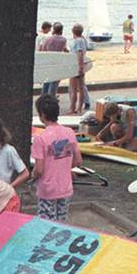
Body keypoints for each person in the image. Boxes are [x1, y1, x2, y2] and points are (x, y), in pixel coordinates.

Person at [31, 94, 82, 222]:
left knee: (47, 224)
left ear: (42, 114)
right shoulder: (70, 132)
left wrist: (33, 175)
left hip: (47, 189)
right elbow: (78, 161)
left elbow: (39, 169)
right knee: (61, 223)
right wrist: (64, 166)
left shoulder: (40, 138)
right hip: (65, 187)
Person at [68, 23, 88, 114]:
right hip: (79, 65)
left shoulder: (77, 41)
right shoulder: (83, 40)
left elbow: (79, 53)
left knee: (74, 88)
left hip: (75, 66)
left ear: (73, 31)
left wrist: (80, 66)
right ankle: (79, 108)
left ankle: (72, 108)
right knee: (81, 88)